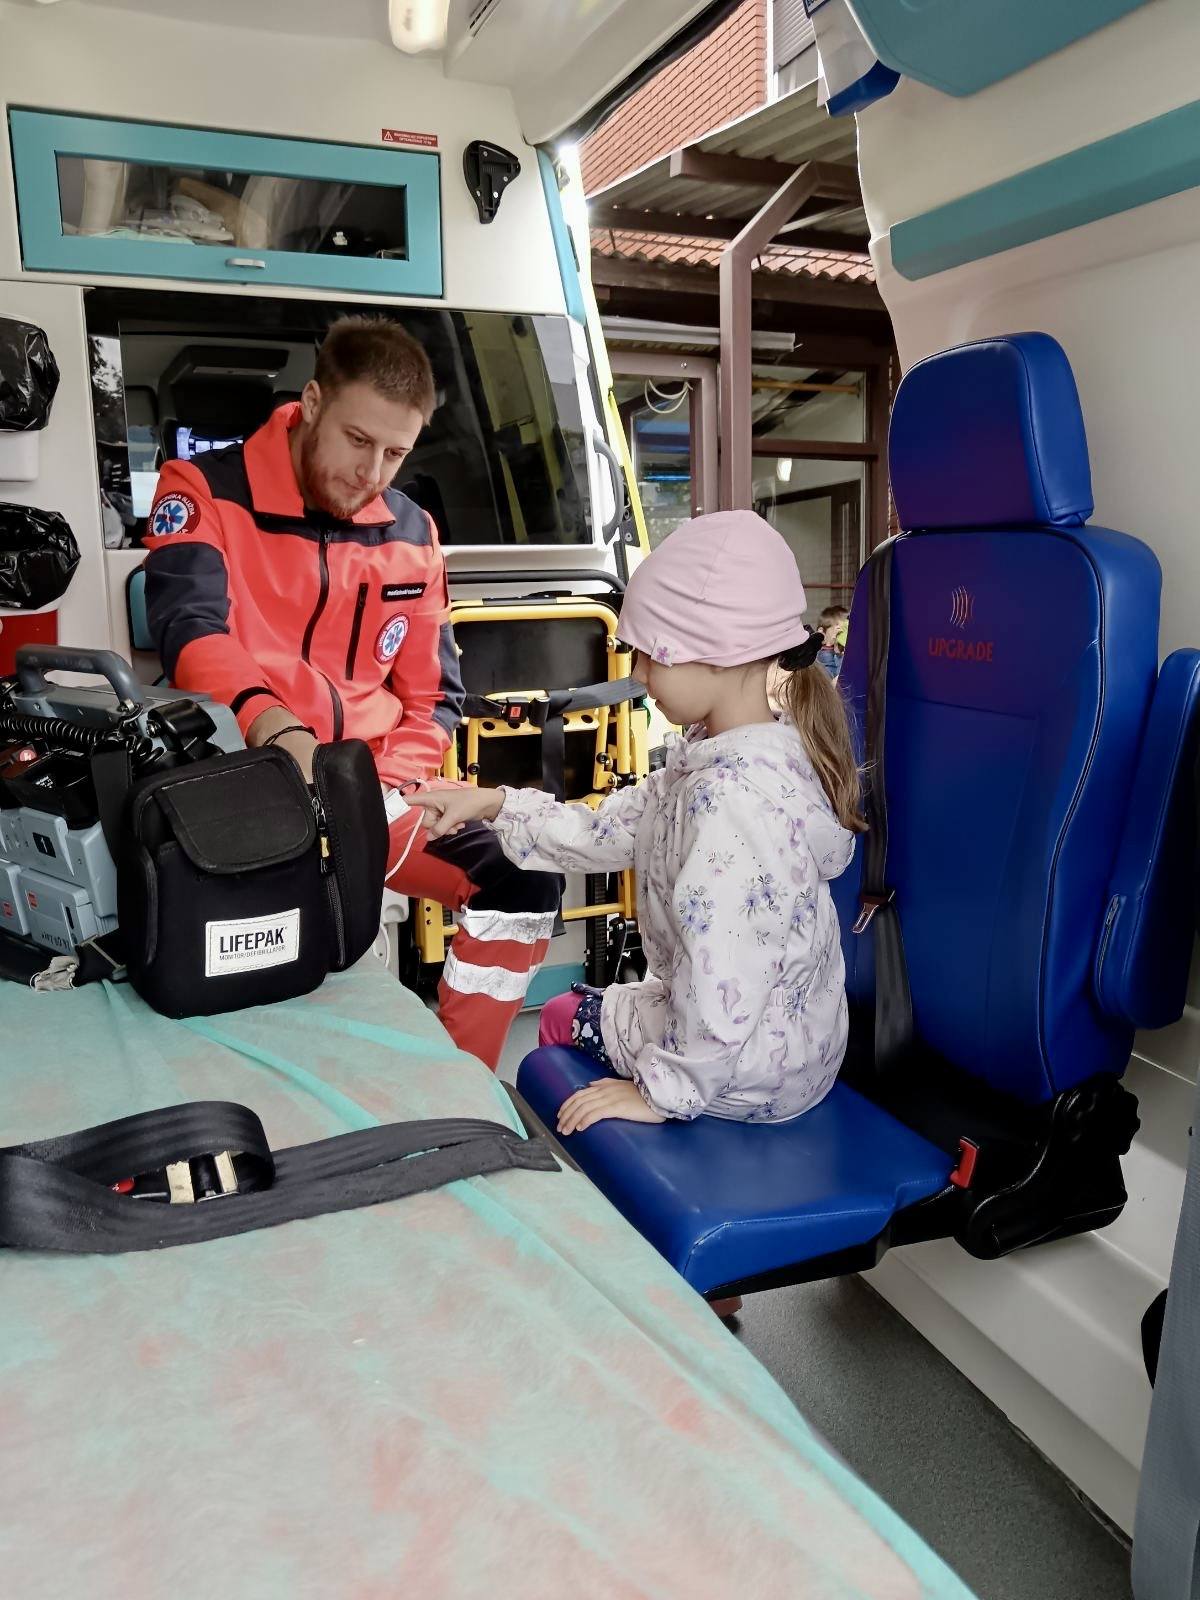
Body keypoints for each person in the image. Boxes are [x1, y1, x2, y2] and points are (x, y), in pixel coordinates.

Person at [141, 315, 561, 1069]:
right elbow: (190, 630)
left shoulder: (412, 531)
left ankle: (462, 1084)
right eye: (358, 440)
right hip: (252, 778)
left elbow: (435, 696)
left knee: (524, 885)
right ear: (311, 403)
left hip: (373, 790)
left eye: (395, 453)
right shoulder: (204, 489)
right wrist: (275, 726)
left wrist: (382, 783)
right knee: (282, 975)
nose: (372, 473)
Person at [411, 510, 864, 1134]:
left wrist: (661, 1094)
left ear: (718, 653)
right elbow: (610, 829)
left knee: (562, 1016)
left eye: (652, 655)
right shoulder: (736, 756)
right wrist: (494, 804)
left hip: (749, 1068)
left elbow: (725, 976)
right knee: (598, 1005)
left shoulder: (729, 803)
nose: (638, 675)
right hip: (791, 1041)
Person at [817, 604, 849, 679]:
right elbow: (832, 680)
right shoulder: (818, 657)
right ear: (822, 632)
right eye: (839, 632)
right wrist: (829, 647)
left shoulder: (847, 653)